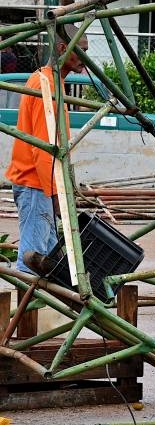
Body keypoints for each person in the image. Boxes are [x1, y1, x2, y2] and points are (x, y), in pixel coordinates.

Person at [6, 26, 89, 274]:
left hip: (40, 185)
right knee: (32, 260)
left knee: (51, 258)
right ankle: (25, 312)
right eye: (81, 51)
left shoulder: (53, 81)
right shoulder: (47, 86)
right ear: (63, 49)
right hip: (37, 185)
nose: (85, 58)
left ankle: (48, 310)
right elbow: (43, 151)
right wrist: (56, 195)